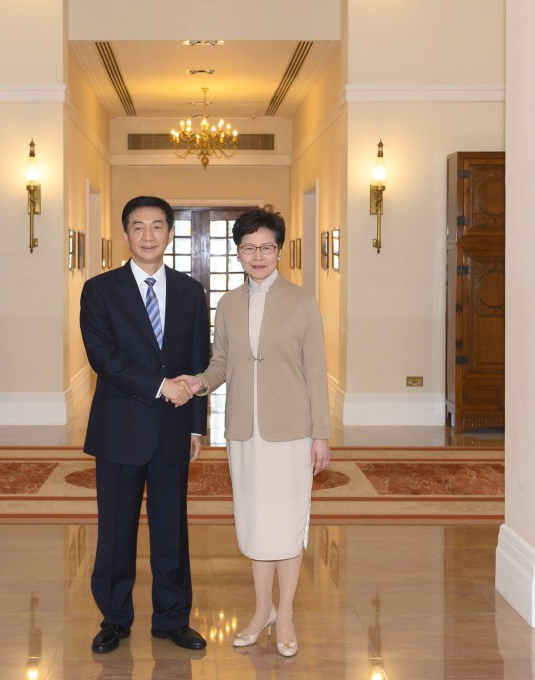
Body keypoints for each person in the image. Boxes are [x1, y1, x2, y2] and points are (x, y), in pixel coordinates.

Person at [179, 207, 331, 658]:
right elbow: (221, 364)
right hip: (244, 432)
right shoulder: (227, 305)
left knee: (288, 523)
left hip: (292, 431)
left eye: (266, 247)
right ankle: (262, 609)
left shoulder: (303, 302)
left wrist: (321, 433)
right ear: (238, 252)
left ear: (280, 251)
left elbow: (316, 371)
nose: (258, 255)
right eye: (249, 248)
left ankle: (285, 615)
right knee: (255, 523)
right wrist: (198, 383)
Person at [80, 195, 210, 654]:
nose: (148, 235)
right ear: (126, 234)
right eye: (138, 227)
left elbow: (199, 359)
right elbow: (103, 357)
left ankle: (172, 619)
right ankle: (114, 619)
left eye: (157, 226)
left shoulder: (191, 291)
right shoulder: (100, 290)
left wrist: (196, 426)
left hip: (174, 428)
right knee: (116, 529)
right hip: (119, 428)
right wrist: (159, 386)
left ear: (170, 233)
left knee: (172, 528)